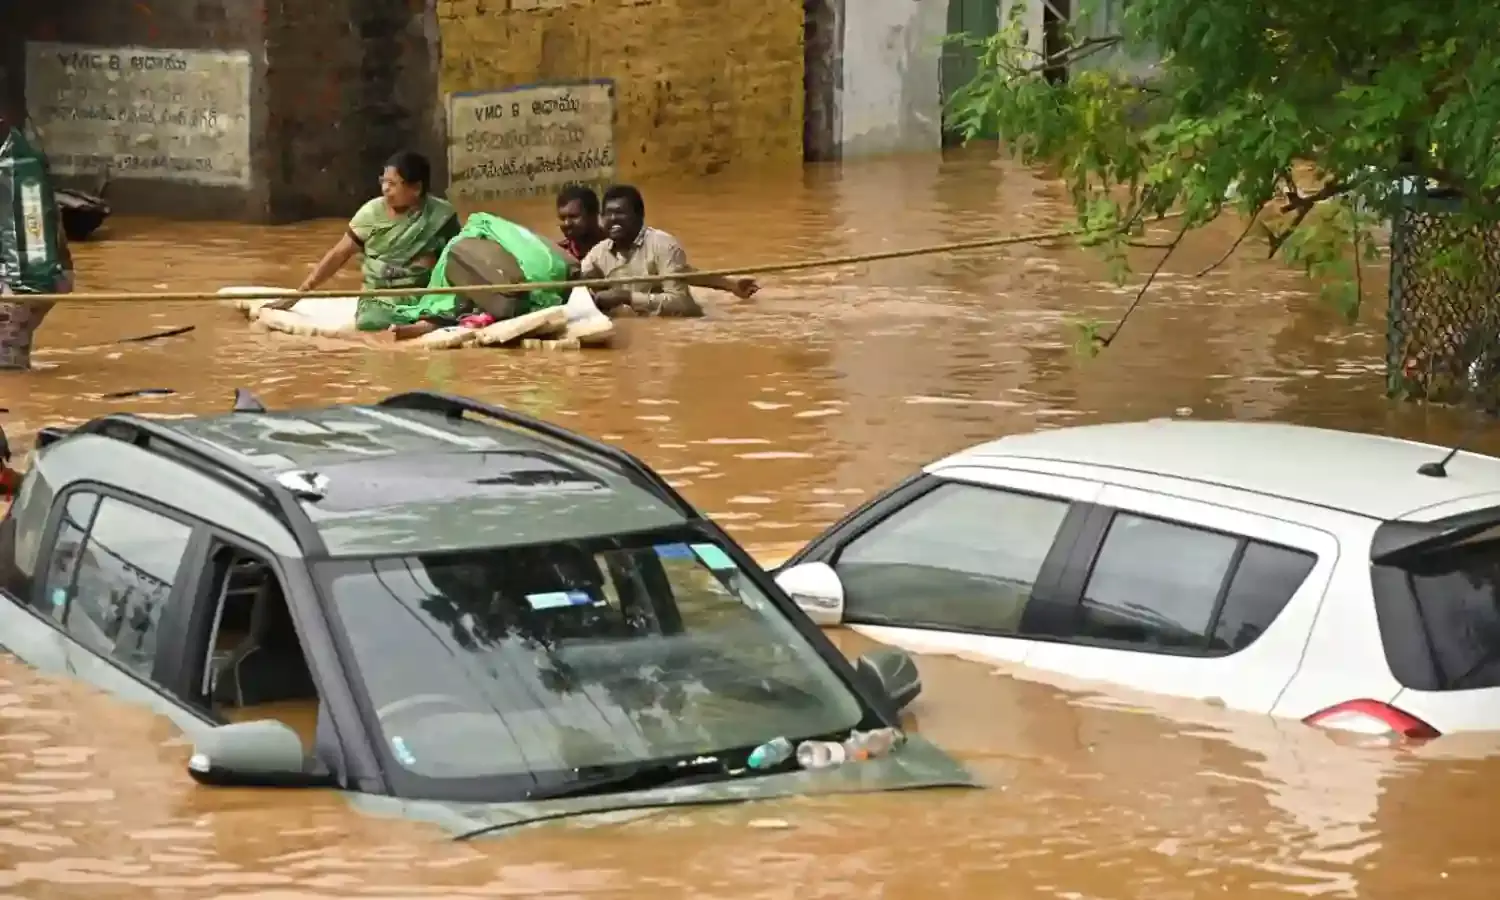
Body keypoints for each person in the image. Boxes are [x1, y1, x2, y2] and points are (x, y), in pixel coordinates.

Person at [268, 151, 462, 337]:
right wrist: (300, 293)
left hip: (425, 293)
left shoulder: (441, 215)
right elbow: (339, 254)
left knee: (461, 303)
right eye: (383, 181)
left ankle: (426, 323)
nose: (385, 189)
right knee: (372, 320)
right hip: (380, 297)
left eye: (393, 184)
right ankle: (422, 324)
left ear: (416, 188)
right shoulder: (370, 214)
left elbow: (459, 254)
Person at [577, 184, 760, 317]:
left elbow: (682, 304)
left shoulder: (662, 244)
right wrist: (730, 285)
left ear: (639, 216)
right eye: (607, 213)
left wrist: (626, 297)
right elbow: (573, 283)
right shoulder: (598, 253)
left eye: (620, 213)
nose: (612, 219)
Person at [0, 110, 73, 371]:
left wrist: (19, 291)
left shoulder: (16, 169)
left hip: (26, 277)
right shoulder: (17, 157)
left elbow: (29, 242)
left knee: (5, 359)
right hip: (39, 274)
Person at [555, 183, 607, 267]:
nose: (566, 223)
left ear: (593, 215)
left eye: (573, 216)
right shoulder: (559, 254)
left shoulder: (615, 249)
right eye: (562, 218)